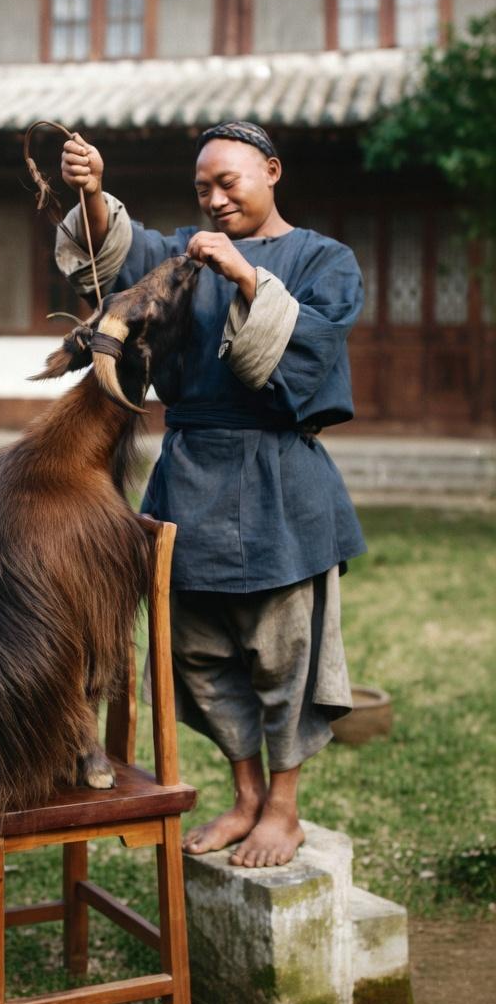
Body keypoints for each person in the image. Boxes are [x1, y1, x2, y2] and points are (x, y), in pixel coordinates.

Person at [56, 120, 366, 868]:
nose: (216, 200)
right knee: (198, 652)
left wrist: (248, 274)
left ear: (272, 171)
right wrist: (95, 193)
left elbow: (314, 347)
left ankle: (284, 810)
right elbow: (112, 258)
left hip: (281, 479)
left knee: (283, 653)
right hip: (189, 475)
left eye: (230, 182)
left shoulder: (324, 258)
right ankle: (246, 795)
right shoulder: (182, 256)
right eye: (203, 189)